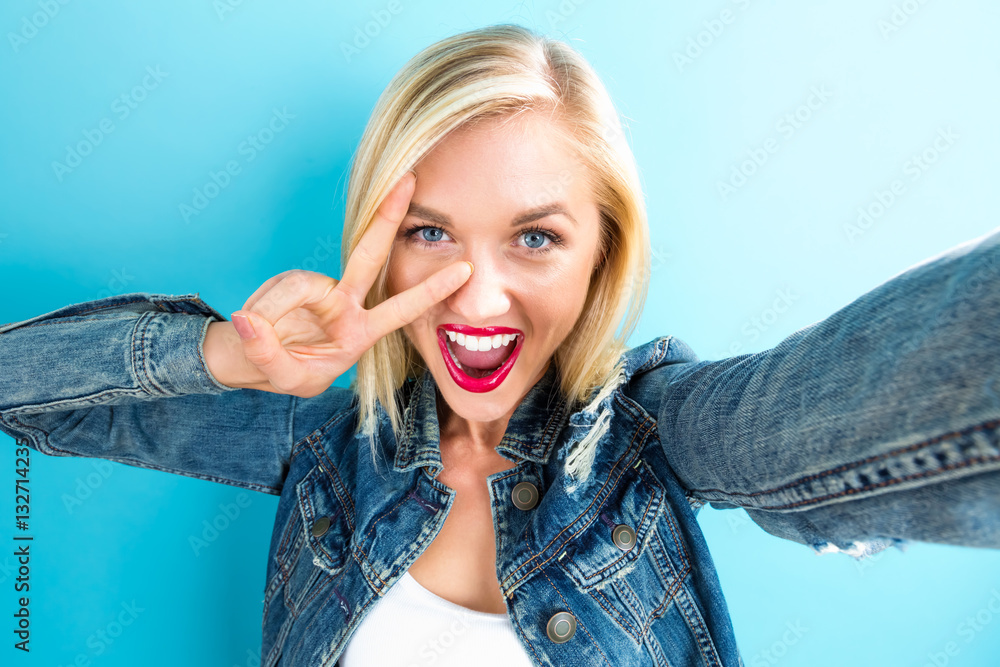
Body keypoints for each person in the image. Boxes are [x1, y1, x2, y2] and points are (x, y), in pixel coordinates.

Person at [2, 22, 999, 667]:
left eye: (534, 236)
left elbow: (853, 413)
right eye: (428, 232)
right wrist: (229, 355)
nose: (475, 293)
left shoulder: (658, 434)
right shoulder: (325, 445)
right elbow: (20, 388)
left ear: (603, 249)